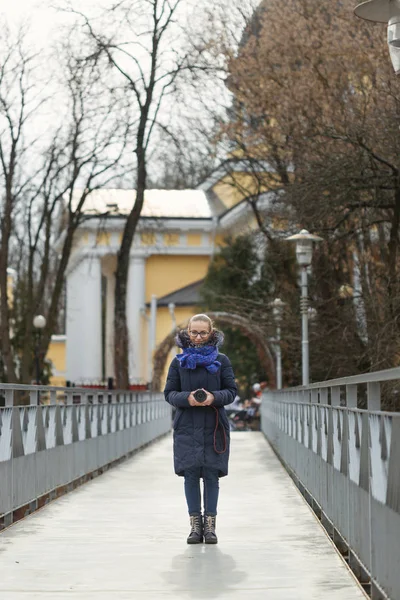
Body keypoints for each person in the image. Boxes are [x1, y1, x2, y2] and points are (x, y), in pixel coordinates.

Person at [164, 313, 237, 545]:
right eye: (193, 332)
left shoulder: (222, 360)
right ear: (187, 332)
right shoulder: (178, 362)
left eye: (202, 332)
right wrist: (189, 399)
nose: (197, 337)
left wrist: (212, 397)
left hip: (214, 425)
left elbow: (231, 392)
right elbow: (169, 394)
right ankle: (195, 527)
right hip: (186, 425)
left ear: (211, 333)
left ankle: (210, 527)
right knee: (191, 474)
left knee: (212, 474)